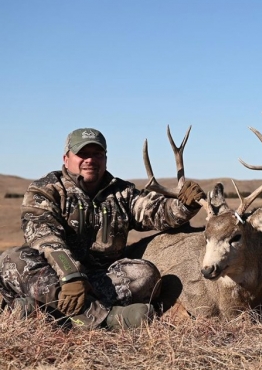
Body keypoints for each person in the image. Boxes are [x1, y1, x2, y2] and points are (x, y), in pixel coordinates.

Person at [0, 128, 205, 330]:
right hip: (55, 275)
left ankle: (47, 313)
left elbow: (155, 212)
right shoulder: (45, 190)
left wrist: (184, 205)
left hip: (100, 279)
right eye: (83, 154)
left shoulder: (122, 193)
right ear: (66, 159)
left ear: (105, 159)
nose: (90, 160)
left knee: (145, 273)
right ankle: (108, 318)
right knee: (11, 259)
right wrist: (71, 275)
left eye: (97, 154)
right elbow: (45, 237)